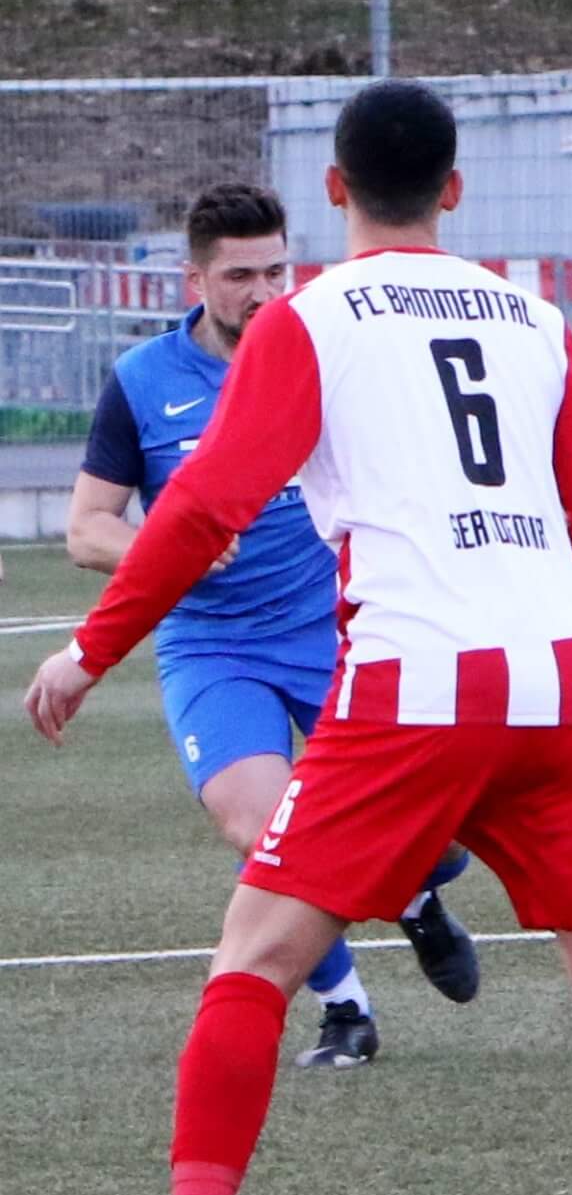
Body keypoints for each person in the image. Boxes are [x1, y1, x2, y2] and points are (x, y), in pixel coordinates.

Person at [26, 80, 572, 1195]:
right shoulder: (532, 316)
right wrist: (535, 612)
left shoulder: (312, 316)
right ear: (456, 190)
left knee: (255, 960)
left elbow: (208, 501)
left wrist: (88, 648)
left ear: (333, 191)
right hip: (562, 682)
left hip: (413, 684)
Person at [67, 182, 480, 1067]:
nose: (263, 292)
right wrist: (158, 547)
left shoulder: (327, 353)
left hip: (337, 631)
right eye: (240, 275)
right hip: (211, 645)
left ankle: (417, 895)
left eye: (277, 271)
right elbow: (86, 526)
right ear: (196, 281)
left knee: (433, 836)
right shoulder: (144, 383)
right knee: (263, 826)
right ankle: (346, 1011)